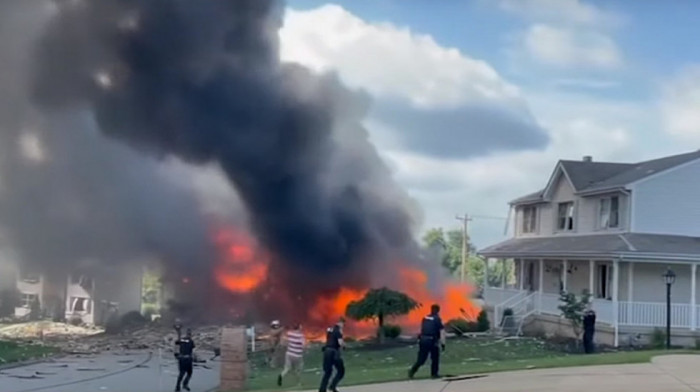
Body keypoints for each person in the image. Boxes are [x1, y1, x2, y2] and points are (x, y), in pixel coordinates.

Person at [408, 304, 445, 379]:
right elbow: (442, 332)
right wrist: (443, 344)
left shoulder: (425, 318)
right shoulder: (437, 319)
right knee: (435, 358)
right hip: (432, 340)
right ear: (438, 310)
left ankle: (412, 371)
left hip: (423, 340)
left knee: (421, 359)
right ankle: (434, 374)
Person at [318, 318, 345, 392]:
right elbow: (340, 343)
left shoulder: (330, 329)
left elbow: (329, 337)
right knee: (341, 371)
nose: (343, 326)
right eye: (343, 324)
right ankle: (332, 386)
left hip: (326, 352)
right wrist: (344, 345)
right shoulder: (338, 331)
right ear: (340, 323)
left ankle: (322, 389)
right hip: (334, 353)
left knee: (328, 372)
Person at [174, 327, 195, 392]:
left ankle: (182, 385)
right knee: (183, 373)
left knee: (188, 373)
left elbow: (177, 342)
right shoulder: (191, 341)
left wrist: (178, 332)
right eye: (189, 334)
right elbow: (192, 347)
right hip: (185, 359)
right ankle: (179, 386)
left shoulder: (183, 340)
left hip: (184, 358)